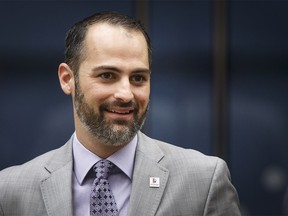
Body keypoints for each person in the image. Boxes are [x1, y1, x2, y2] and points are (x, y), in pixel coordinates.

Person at [0, 11, 240, 216]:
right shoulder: (11, 192)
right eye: (107, 75)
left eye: (138, 78)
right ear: (67, 79)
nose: (126, 94)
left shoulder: (203, 181)